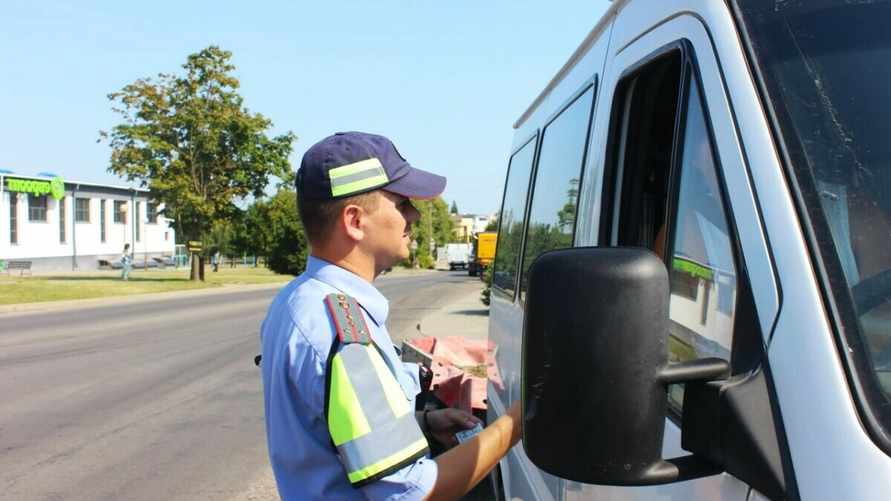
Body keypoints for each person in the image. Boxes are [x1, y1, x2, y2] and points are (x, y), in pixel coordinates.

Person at [259, 131, 523, 500]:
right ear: (354, 221)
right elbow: (414, 493)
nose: (413, 215)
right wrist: (519, 420)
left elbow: (332, 429)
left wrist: (423, 425)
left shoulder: (300, 299)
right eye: (401, 205)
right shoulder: (346, 332)